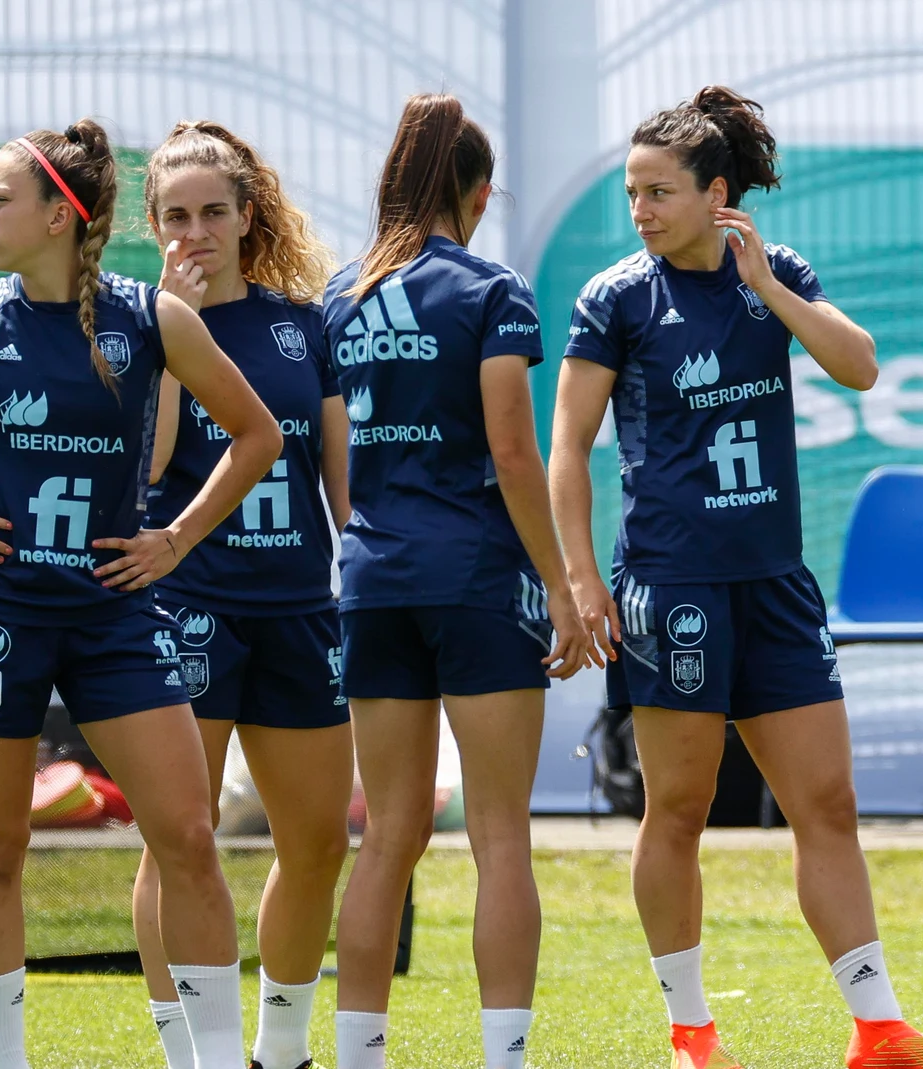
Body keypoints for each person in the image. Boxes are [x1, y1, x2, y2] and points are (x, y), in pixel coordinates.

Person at [0, 121, 281, 1069]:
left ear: (61, 218)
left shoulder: (152, 320)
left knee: (189, 837)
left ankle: (218, 1061)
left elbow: (258, 435)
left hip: (117, 615)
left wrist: (175, 536)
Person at [548, 85, 923, 1069]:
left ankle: (878, 1030)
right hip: (672, 588)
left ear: (717, 194)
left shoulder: (774, 271)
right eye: (631, 193)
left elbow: (862, 367)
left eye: (659, 192)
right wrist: (582, 578)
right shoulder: (614, 299)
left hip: (776, 583)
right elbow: (566, 448)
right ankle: (692, 1037)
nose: (642, 211)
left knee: (825, 804)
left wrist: (772, 291)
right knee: (680, 810)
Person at [321, 93, 591, 1069]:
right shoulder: (492, 290)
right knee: (498, 835)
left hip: (374, 580)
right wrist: (561, 586)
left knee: (386, 835)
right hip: (478, 582)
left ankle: (359, 1056)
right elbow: (515, 456)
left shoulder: (340, 295)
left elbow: (337, 466)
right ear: (474, 194)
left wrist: (371, 547)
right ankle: (504, 1059)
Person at [130, 120, 351, 1069]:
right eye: (175, 217)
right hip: (188, 607)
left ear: (246, 213)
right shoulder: (137, 321)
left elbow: (339, 485)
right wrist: (168, 333)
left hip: (299, 605)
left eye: (213, 212)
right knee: (180, 843)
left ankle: (282, 1050)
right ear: (152, 225)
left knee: (316, 843)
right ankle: (188, 1054)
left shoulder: (303, 324)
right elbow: (147, 459)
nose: (195, 233)